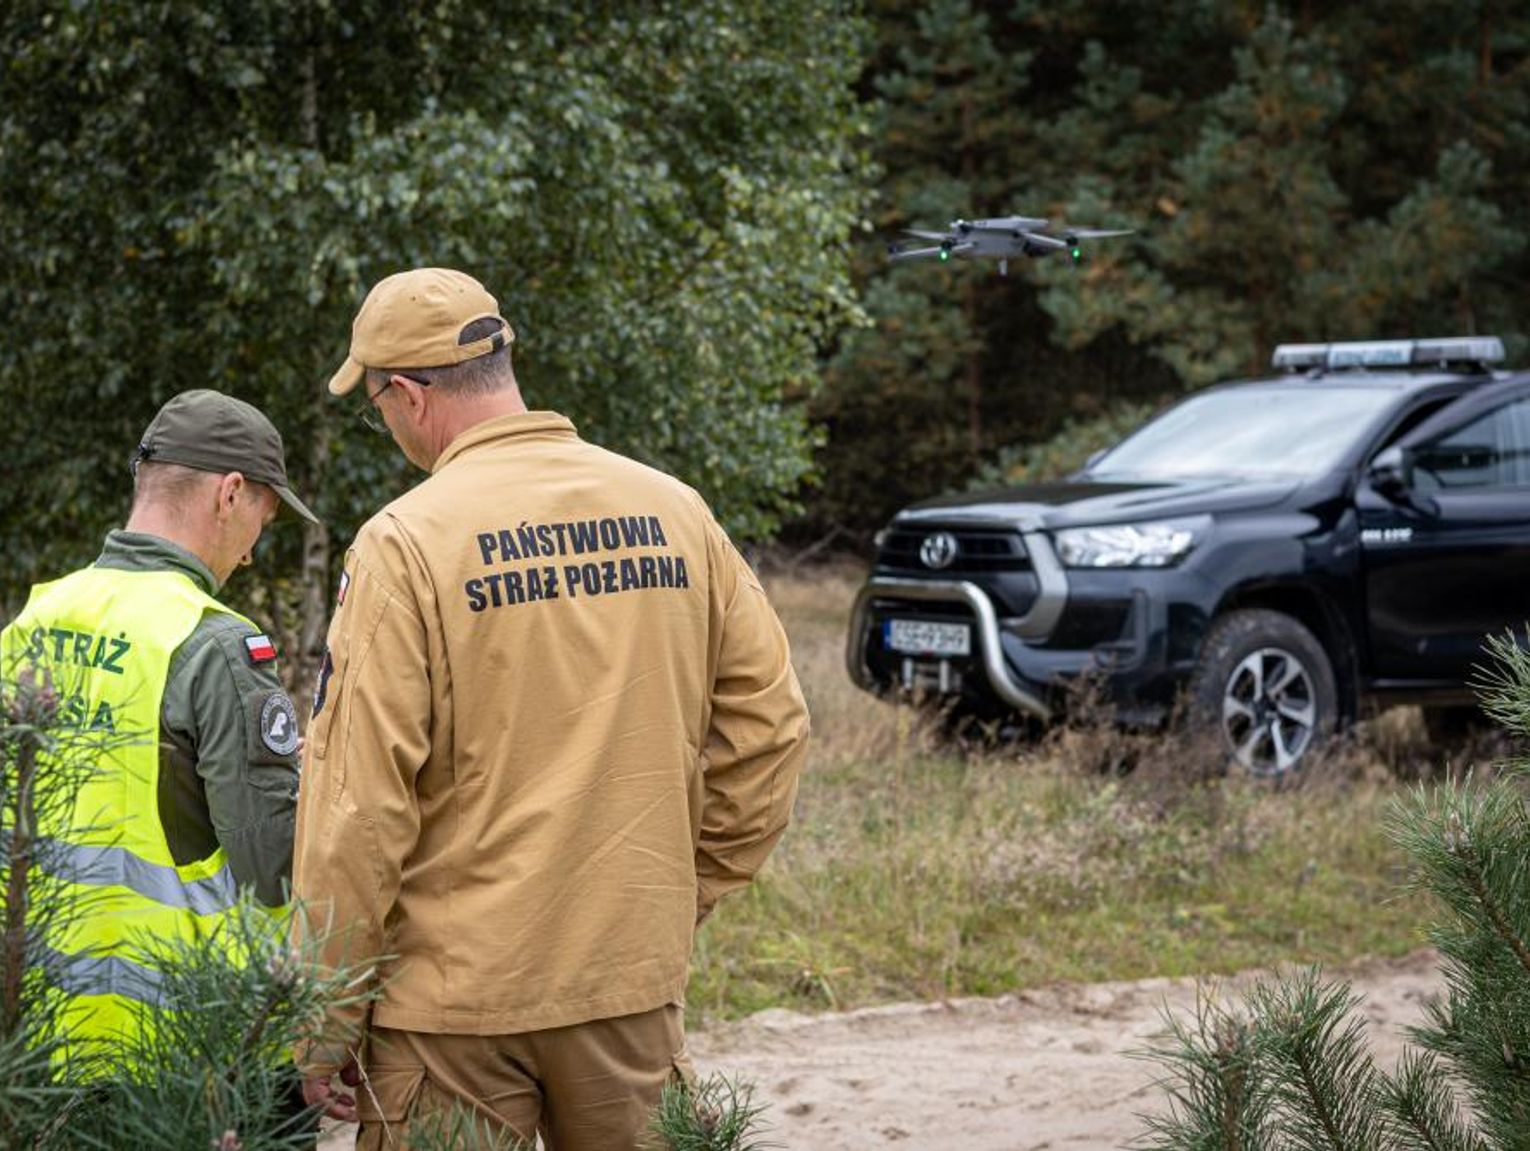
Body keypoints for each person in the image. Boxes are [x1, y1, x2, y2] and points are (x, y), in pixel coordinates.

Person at [294, 267, 811, 1149]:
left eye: (377, 402)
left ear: (411, 396)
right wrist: (678, 891)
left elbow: (357, 807)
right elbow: (771, 727)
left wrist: (326, 1019)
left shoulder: (406, 542)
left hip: (451, 1009)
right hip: (625, 990)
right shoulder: (673, 510)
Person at [0, 389, 317, 1063]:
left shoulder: (32, 622)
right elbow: (273, 869)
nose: (254, 553)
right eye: (262, 517)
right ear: (230, 493)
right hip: (178, 1052)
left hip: (32, 1040)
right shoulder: (214, 644)